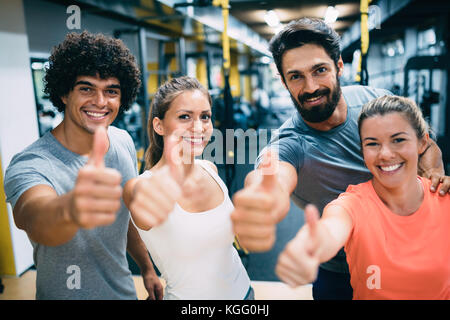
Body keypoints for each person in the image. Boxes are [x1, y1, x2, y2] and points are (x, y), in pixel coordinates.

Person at [230, 17, 449, 300]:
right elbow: (272, 172)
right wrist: (264, 194)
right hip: (339, 270)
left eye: (319, 70)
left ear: (339, 67)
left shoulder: (375, 103)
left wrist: (433, 174)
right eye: (296, 76)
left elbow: (425, 145)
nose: (310, 88)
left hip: (411, 256)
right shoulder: (290, 143)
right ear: (284, 82)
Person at [4, 31, 162, 300]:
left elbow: (124, 219)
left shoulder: (121, 141)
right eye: (86, 88)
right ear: (65, 93)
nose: (100, 102)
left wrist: (147, 267)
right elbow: (34, 217)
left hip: (123, 293)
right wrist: (72, 208)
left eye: (111, 91)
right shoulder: (32, 163)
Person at [275, 95, 450, 299]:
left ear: (422, 143)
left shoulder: (444, 197)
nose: (385, 154)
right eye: (372, 144)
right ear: (363, 150)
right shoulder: (351, 205)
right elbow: (333, 227)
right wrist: (316, 242)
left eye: (398, 140)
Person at [123, 76, 252, 300]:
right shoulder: (142, 189)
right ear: (159, 125)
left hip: (245, 293)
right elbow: (127, 224)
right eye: (185, 117)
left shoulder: (210, 169)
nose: (199, 127)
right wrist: (147, 268)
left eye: (205, 117)